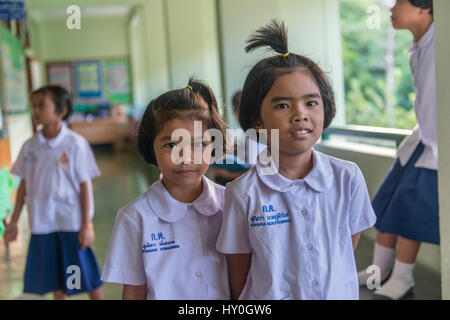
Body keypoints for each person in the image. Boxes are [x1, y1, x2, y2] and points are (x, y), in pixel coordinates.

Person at [216, 20, 377, 300]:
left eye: (311, 102)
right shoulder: (242, 194)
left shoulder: (347, 178)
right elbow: (239, 274)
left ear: (325, 109)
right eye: (282, 105)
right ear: (257, 120)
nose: (300, 114)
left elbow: (345, 247)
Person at [101, 78, 230, 300]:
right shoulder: (135, 218)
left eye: (199, 144)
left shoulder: (230, 205)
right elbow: (133, 293)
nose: (186, 157)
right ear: (151, 146)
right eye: (171, 145)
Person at [357, 0, 437, 300]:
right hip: (419, 140)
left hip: (436, 146)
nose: (391, 7)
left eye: (399, 1)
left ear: (423, 7)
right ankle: (379, 272)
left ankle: (402, 279)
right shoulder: (419, 45)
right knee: (386, 205)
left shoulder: (440, 45)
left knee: (407, 212)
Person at [3, 86, 103, 300]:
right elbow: (23, 186)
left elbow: (85, 186)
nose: (35, 110)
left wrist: (87, 225)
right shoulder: (29, 147)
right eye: (34, 105)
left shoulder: (75, 144)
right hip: (42, 223)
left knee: (85, 273)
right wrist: (13, 221)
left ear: (61, 111)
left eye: (41, 105)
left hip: (71, 222)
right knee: (57, 276)